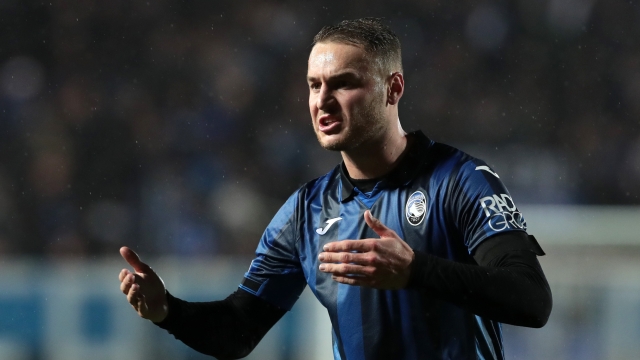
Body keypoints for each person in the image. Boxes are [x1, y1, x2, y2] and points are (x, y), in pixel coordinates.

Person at [119, 18, 552, 360]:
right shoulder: (304, 212)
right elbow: (238, 331)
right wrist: (168, 311)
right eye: (314, 85)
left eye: (343, 83)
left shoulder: (460, 180)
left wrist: (417, 271)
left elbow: (532, 300)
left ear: (393, 88)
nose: (322, 100)